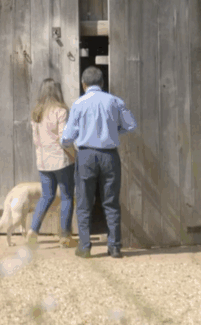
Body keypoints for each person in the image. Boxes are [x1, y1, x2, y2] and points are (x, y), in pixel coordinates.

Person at [59, 66, 137, 259]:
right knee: (111, 202)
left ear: (83, 84)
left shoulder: (78, 104)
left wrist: (70, 143)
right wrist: (114, 132)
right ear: (102, 83)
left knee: (84, 203)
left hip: (86, 155)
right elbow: (131, 125)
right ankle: (115, 247)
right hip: (110, 155)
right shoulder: (115, 101)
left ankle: (85, 247)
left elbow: (67, 138)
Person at [26, 78, 77, 248]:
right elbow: (64, 139)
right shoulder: (61, 111)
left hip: (43, 161)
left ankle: (33, 230)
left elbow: (36, 141)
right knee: (67, 196)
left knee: (46, 196)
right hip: (61, 161)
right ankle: (65, 237)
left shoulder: (36, 113)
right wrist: (74, 155)